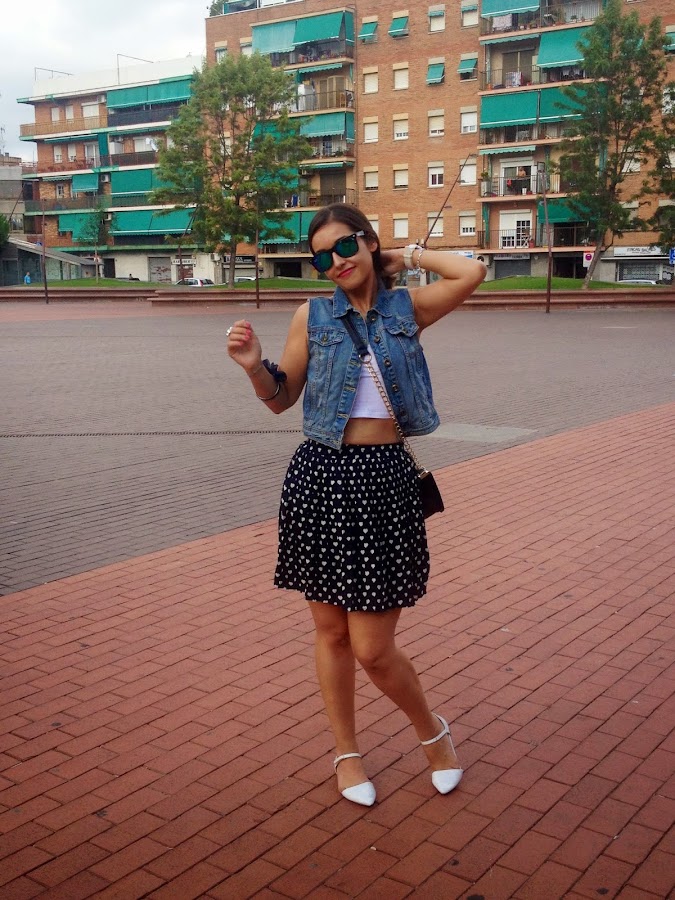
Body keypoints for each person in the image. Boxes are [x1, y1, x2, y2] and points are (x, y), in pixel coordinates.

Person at [226, 203, 486, 806]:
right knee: (331, 634)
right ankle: (346, 754)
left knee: (373, 647)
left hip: (384, 481)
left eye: (345, 246)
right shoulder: (312, 316)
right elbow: (281, 398)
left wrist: (401, 256)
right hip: (320, 478)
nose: (335, 262)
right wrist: (253, 368)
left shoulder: (407, 309)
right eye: (322, 257)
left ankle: (433, 734)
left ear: (368, 242)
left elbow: (470, 272)